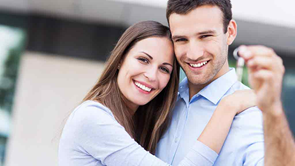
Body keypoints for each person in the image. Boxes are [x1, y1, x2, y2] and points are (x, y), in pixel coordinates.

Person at [58, 21, 255, 166]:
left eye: (164, 69)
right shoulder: (92, 118)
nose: (151, 75)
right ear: (120, 59)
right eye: (143, 60)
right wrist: (227, 107)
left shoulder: (139, 125)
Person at [156, 0, 265, 165]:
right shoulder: (157, 99)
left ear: (230, 32)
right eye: (181, 40)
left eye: (205, 36)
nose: (193, 54)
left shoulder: (252, 116)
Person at [238, 45, 295, 166]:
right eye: (185, 40)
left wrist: (272, 109)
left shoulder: (251, 113)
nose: (194, 55)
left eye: (205, 36)